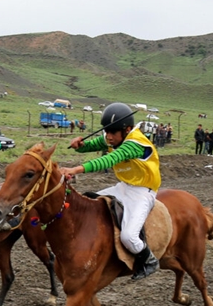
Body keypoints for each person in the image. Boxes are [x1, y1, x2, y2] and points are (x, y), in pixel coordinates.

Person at [61, 102, 160, 280]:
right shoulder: (113, 137)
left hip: (142, 192)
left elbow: (109, 160)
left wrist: (75, 170)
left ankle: (149, 260)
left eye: (112, 132)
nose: (108, 136)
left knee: (129, 237)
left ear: (127, 129)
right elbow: (93, 144)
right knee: (89, 204)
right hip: (123, 186)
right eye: (106, 131)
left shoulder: (135, 143)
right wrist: (80, 146)